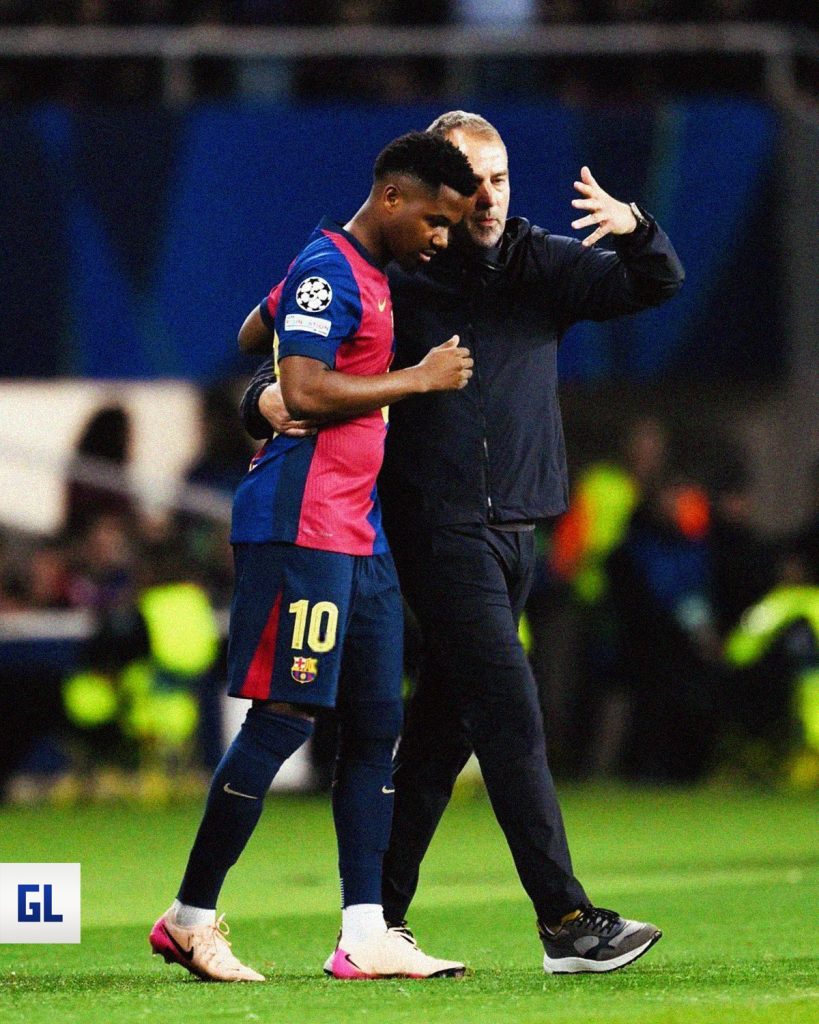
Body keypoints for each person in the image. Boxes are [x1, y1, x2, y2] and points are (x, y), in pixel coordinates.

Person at [245, 111, 684, 975]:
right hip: (436, 527)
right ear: (436, 190)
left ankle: (374, 922)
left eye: (500, 179)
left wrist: (635, 226)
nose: (487, 198)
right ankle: (565, 922)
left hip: (519, 528)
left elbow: (654, 283)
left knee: (439, 739)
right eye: (470, 182)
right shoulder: (393, 270)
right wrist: (257, 398)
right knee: (510, 710)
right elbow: (281, 354)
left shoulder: (538, 262)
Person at [149, 131, 480, 982]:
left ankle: (364, 932)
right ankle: (189, 918)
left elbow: (254, 329)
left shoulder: (352, 272)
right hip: (302, 525)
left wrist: (266, 375)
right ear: (393, 198)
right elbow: (301, 387)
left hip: (357, 530)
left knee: (374, 726)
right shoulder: (331, 269)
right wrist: (415, 378)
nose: (440, 238)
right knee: (284, 720)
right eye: (435, 221)